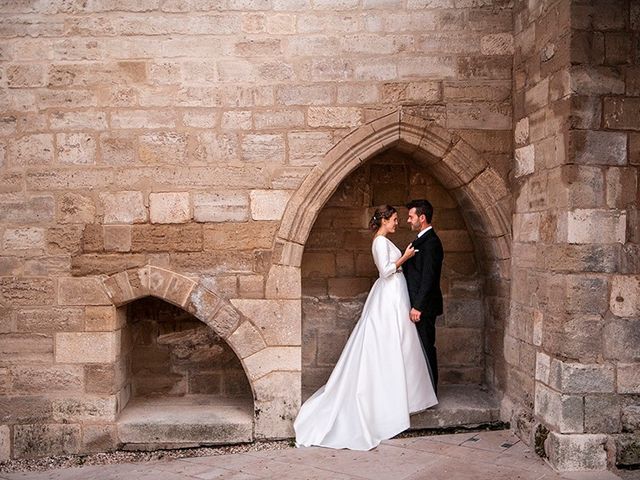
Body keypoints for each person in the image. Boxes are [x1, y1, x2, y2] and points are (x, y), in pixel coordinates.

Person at [294, 205, 438, 451]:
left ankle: (405, 397)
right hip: (389, 292)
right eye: (393, 219)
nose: (397, 223)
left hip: (395, 293)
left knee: (401, 342)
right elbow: (385, 271)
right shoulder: (380, 242)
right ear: (383, 220)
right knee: (388, 342)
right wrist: (405, 257)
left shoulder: (384, 240)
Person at [403, 199, 444, 394]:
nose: (408, 220)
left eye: (411, 216)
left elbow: (429, 278)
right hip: (419, 305)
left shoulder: (432, 243)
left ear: (422, 217)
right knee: (418, 348)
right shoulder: (422, 240)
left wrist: (418, 306)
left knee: (426, 347)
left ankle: (430, 392)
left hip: (424, 307)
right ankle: (421, 392)